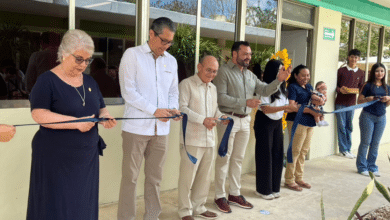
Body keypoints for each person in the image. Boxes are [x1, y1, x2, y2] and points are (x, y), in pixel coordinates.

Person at [26, 29, 117, 220]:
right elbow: (39, 114)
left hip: (86, 159)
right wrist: (76, 123)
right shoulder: (47, 80)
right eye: (79, 59)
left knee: (83, 205)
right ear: (64, 53)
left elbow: (100, 107)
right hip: (56, 159)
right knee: (56, 206)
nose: (84, 65)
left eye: (88, 60)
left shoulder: (90, 81)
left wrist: (106, 116)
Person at [212, 41, 291, 213]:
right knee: (224, 159)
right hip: (228, 120)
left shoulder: (250, 75)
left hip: (245, 121)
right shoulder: (223, 72)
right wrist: (245, 102)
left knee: (238, 159)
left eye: (249, 54)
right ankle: (219, 196)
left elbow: (264, 90)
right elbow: (220, 98)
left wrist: (279, 80)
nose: (248, 57)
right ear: (235, 54)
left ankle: (234, 193)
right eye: (245, 54)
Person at [117, 17, 181, 220]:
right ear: (151, 34)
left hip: (161, 131)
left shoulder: (171, 61)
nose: (166, 46)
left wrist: (172, 110)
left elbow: (173, 92)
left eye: (170, 42)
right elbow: (129, 92)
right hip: (136, 128)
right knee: (130, 178)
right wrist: (155, 110)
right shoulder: (132, 55)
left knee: (155, 179)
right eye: (164, 40)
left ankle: (152, 217)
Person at [178, 55, 228, 220]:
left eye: (215, 71)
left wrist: (222, 118)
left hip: (209, 139)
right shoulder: (186, 84)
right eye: (209, 70)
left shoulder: (212, 88)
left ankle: (198, 207)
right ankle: (185, 211)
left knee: (205, 177)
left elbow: (215, 111)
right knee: (187, 178)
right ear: (199, 67)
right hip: (191, 139)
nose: (212, 74)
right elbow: (182, 108)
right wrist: (202, 120)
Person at [253, 60, 297, 200]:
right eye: (279, 70)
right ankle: (263, 190)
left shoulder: (284, 88)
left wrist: (291, 107)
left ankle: (274, 188)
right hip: (264, 122)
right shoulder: (264, 87)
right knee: (264, 156)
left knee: (277, 154)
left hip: (277, 123)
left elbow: (287, 106)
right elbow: (265, 109)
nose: (282, 72)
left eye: (283, 70)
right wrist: (285, 108)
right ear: (273, 71)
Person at [284, 64, 320, 192]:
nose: (306, 78)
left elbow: (316, 100)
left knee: (304, 151)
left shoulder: (309, 87)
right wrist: (309, 110)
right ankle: (289, 180)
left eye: (308, 75)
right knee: (295, 151)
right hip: (297, 121)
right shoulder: (293, 87)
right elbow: (292, 105)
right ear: (295, 75)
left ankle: (299, 178)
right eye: (303, 75)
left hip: (310, 122)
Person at [356, 63, 390, 177]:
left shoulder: (387, 87)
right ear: (372, 73)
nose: (379, 73)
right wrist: (368, 99)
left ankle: (372, 166)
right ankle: (361, 167)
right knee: (366, 142)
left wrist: (388, 99)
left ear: (384, 73)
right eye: (377, 71)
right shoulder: (367, 85)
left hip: (381, 117)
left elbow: (387, 105)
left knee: (375, 143)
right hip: (367, 116)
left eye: (382, 71)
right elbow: (359, 101)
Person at [336, 49, 365, 159]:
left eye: (356, 57)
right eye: (352, 57)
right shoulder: (341, 71)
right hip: (340, 103)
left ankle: (348, 148)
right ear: (348, 57)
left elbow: (361, 88)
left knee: (349, 126)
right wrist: (340, 90)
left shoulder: (361, 73)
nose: (354, 59)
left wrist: (358, 91)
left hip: (352, 103)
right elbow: (336, 86)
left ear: (358, 59)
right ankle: (343, 149)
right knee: (341, 126)